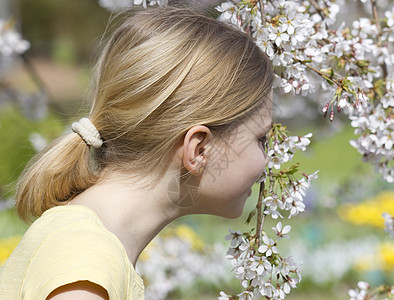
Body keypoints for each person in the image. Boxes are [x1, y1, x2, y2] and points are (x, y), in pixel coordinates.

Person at [0, 6, 273, 300]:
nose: (267, 162)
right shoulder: (86, 268)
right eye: (261, 139)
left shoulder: (84, 246)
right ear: (198, 149)